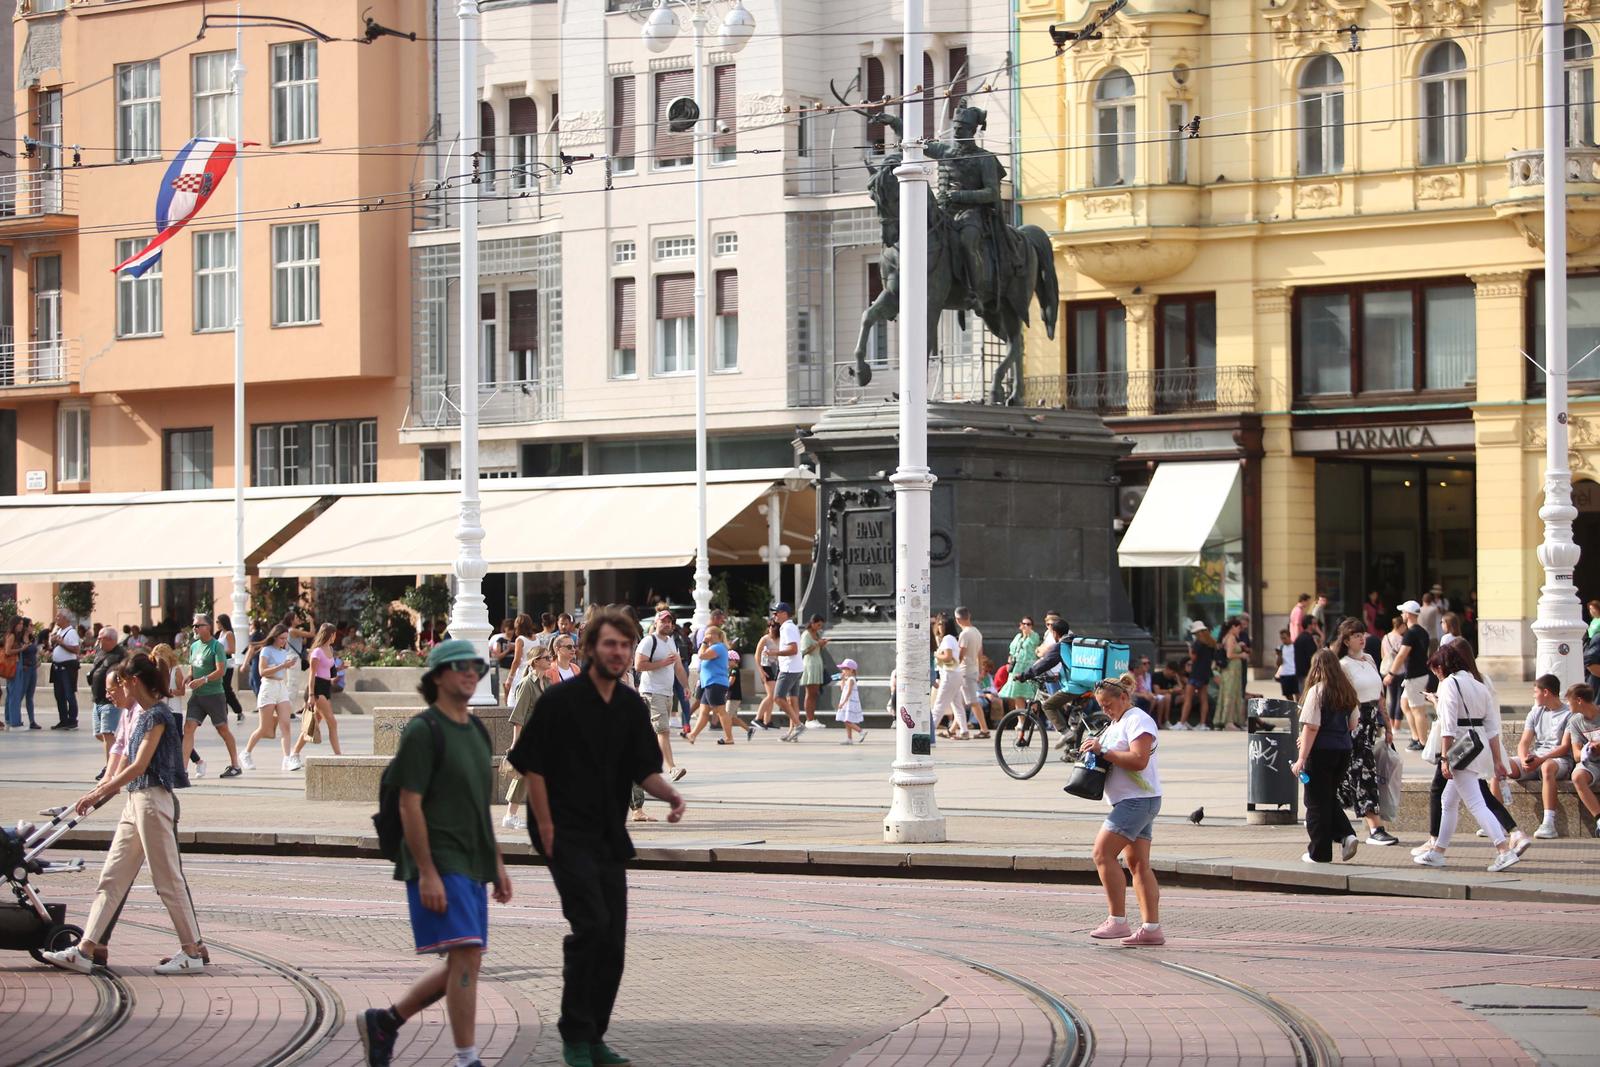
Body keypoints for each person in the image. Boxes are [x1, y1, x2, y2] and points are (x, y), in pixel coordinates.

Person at [509, 607, 685, 1067]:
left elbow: (643, 767)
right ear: (589, 648)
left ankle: (594, 1036)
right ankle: (574, 1036)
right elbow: (531, 763)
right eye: (610, 644)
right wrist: (544, 826)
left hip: (607, 833)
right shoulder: (560, 701)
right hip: (561, 829)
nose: (619, 652)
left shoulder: (628, 705)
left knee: (614, 941)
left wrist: (669, 795)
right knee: (591, 926)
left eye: (626, 645)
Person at [356, 641, 512, 1067]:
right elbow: (409, 803)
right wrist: (426, 872)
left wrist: (497, 863)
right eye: (459, 667)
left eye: (475, 667)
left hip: (473, 861)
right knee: (464, 955)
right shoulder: (424, 731)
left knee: (468, 960)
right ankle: (467, 1058)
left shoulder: (477, 731)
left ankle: (385, 1022)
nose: (469, 673)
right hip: (438, 860)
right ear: (438, 677)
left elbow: (480, 805)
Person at [41, 652, 207, 976]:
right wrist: (99, 791)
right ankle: (85, 949)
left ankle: (192, 952)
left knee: (167, 880)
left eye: (121, 683)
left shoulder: (156, 714)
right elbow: (123, 761)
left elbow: (138, 766)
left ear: (133, 682)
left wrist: (99, 793)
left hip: (152, 801)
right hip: (136, 802)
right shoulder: (142, 713)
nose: (116, 691)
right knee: (112, 876)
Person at [1413, 643, 1522, 873]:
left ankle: (1504, 850)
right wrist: (1497, 760)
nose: (1435, 674)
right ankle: (1438, 852)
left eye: (1436, 669)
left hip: (1460, 746)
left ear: (1443, 666)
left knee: (1475, 803)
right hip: (1478, 744)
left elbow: (1448, 726)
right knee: (1448, 800)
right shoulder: (1478, 684)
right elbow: (1492, 727)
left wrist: (1445, 758)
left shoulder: (1450, 684)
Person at [1080, 676, 1164, 947]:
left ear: (1124, 698)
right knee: (1138, 865)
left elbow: (1139, 760)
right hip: (1135, 799)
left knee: (1102, 853)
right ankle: (1151, 928)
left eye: (1108, 704)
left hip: (1136, 801)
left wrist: (1104, 751)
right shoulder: (1118, 722)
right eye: (1101, 706)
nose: (1105, 709)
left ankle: (1117, 921)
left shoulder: (1138, 719)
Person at [1332, 618, 1399, 846]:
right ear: (1346, 640)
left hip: (1371, 724)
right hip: (1354, 723)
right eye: (1356, 635)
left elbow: (1380, 697)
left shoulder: (1369, 659)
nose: (1362, 638)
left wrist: (1388, 727)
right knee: (1363, 773)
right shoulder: (1343, 665)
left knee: (1347, 775)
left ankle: (1327, 815)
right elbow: (1344, 700)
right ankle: (1375, 827)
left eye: (1363, 634)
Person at [1292, 649, 1361, 864]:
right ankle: (1346, 834)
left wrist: (1301, 758)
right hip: (1342, 750)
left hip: (1320, 752)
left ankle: (1319, 853)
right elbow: (1353, 724)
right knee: (1327, 797)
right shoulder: (1347, 691)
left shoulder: (1317, 691)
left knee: (1315, 803)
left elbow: (1311, 727)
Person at [1506, 674, 1574, 840]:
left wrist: (1541, 760)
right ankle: (1497, 821)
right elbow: (1523, 743)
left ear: (1546, 692)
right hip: (1535, 759)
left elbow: (1564, 747)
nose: (1533, 695)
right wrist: (1523, 760)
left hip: (1560, 761)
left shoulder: (1569, 714)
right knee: (1501, 765)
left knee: (1547, 767)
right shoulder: (1535, 712)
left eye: (1535, 691)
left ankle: (1548, 824)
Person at [182, 615, 242, 778]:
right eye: (193, 626)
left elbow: (221, 671)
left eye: (197, 626)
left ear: (207, 627)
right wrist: (189, 676)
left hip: (214, 695)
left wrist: (204, 680)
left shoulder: (216, 646)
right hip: (197, 696)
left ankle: (235, 765)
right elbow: (192, 667)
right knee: (188, 728)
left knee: (222, 729)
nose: (194, 629)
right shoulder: (194, 646)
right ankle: (183, 769)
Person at [502, 643, 553, 830]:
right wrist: (515, 744)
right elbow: (518, 716)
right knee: (522, 777)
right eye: (547, 658)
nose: (550, 660)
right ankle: (510, 815)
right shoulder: (526, 685)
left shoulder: (547, 683)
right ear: (536, 661)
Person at [635, 611, 690, 781]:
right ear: (656, 623)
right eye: (663, 621)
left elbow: (678, 667)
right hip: (652, 692)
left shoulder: (671, 642)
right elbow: (638, 665)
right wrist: (661, 663)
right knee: (663, 731)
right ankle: (672, 768)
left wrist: (686, 685)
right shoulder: (648, 641)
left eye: (669, 622)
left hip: (667, 693)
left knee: (653, 733)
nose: (666, 624)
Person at [244, 625, 298, 771]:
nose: (284, 641)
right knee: (264, 728)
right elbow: (262, 671)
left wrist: (288, 665)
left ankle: (287, 759)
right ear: (274, 637)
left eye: (286, 639)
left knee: (286, 725)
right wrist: (282, 666)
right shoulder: (266, 650)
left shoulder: (284, 651)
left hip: (281, 687)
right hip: (268, 687)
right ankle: (246, 753)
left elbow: (281, 668)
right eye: (281, 638)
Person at [289, 622, 344, 764]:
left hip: (326, 687)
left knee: (313, 724)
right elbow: (312, 675)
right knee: (332, 721)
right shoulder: (317, 652)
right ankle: (339, 756)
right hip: (316, 688)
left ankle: (294, 754)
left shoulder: (330, 650)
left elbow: (330, 673)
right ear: (329, 634)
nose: (335, 637)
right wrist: (311, 696)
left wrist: (341, 667)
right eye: (334, 634)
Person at [1383, 600, 1432, 751]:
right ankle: (1416, 736)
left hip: (1414, 677)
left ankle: (1423, 743)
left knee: (1418, 709)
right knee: (1405, 704)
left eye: (1403, 612)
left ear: (1409, 615)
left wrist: (1391, 673)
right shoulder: (1422, 631)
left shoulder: (1410, 633)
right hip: (1417, 675)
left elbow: (1402, 655)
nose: (1402, 615)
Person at [689, 624, 747, 745]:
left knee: (721, 711)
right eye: (705, 635)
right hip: (709, 683)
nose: (706, 637)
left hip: (715, 683)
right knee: (704, 712)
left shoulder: (719, 647)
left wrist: (704, 643)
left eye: (708, 634)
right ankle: (693, 735)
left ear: (716, 636)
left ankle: (729, 738)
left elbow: (701, 656)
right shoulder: (716, 647)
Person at [87, 628, 128, 777]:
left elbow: (125, 675)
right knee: (100, 734)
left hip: (110, 701)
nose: (98, 641)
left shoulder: (121, 655)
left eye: (101, 638)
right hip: (97, 700)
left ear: (111, 639)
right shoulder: (100, 652)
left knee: (107, 734)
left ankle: (110, 770)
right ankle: (122, 754)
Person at [1564, 685, 1600, 837]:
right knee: (1577, 776)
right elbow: (1577, 754)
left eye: (1569, 701)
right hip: (1591, 763)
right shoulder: (1575, 721)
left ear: (1578, 700)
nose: (1567, 705)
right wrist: (1589, 749)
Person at [931, 614, 970, 740]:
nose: (940, 626)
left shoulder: (947, 639)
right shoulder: (951, 638)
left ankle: (928, 732)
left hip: (949, 675)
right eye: (939, 623)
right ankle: (964, 731)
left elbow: (947, 657)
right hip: (954, 674)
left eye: (942, 624)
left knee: (939, 705)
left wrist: (936, 654)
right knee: (957, 704)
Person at [954, 607, 990, 738]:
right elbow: (980, 654)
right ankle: (954, 729)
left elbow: (960, 655)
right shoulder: (977, 632)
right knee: (960, 701)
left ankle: (984, 730)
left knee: (972, 701)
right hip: (973, 669)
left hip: (965, 671)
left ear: (958, 619)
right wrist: (980, 670)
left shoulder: (964, 634)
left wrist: (952, 667)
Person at [772, 603, 806, 742]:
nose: (774, 615)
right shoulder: (790, 627)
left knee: (778, 698)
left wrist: (775, 653)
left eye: (776, 612)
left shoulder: (787, 628)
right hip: (796, 667)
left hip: (789, 668)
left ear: (784, 613)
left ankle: (798, 725)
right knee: (793, 700)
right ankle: (793, 731)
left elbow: (793, 649)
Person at [1177, 620, 1216, 731]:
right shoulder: (1211, 643)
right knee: (1204, 699)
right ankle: (1202, 724)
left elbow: (1193, 658)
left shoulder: (1197, 643)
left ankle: (1182, 722)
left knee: (1188, 698)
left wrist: (1190, 648)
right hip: (1205, 673)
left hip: (1196, 673)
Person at [998, 616, 1042, 711]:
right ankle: (1021, 721)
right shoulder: (1018, 637)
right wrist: (1010, 658)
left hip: (1028, 667)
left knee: (1031, 695)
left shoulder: (1034, 636)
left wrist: (1028, 632)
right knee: (1017, 695)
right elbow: (1012, 651)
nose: (1026, 626)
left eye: (1028, 624)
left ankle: (1033, 720)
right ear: (1020, 625)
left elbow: (1035, 643)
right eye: (1024, 623)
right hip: (1016, 668)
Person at [48, 609, 82, 730]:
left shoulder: (71, 632)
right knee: (59, 695)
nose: (56, 618)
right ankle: (63, 720)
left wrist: (61, 643)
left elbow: (76, 649)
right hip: (57, 667)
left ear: (65, 619)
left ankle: (72, 720)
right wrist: (53, 642)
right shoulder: (59, 631)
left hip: (67, 668)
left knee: (69, 694)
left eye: (58, 617)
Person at [4, 617, 38, 729]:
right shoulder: (12, 635)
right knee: (15, 694)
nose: (21, 626)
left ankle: (10, 719)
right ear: (14, 624)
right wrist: (21, 649)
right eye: (19, 624)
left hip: (17, 665)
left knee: (12, 693)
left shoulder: (15, 636)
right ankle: (15, 721)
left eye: (22, 624)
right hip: (15, 666)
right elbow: (7, 651)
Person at [1214, 617, 1247, 731]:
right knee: (1230, 695)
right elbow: (1229, 655)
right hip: (1231, 670)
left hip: (1232, 671)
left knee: (1231, 694)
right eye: (1238, 628)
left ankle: (1231, 720)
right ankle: (1229, 721)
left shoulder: (1227, 637)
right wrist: (1241, 655)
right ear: (1233, 627)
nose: (1239, 630)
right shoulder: (1231, 637)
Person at [799, 615, 829, 729]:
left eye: (821, 625)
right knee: (810, 693)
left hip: (817, 663)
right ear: (812, 623)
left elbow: (817, 649)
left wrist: (821, 645)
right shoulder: (806, 634)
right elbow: (804, 651)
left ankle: (812, 718)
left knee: (815, 693)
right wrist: (817, 644)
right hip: (810, 664)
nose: (819, 627)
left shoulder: (817, 634)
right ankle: (809, 719)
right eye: (818, 625)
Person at [752, 619, 780, 731]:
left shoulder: (780, 639)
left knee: (772, 696)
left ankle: (767, 720)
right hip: (766, 667)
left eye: (773, 626)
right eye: (770, 626)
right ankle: (757, 718)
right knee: (771, 695)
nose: (771, 628)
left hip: (776, 667)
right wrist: (760, 670)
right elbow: (757, 655)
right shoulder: (765, 639)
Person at [1380, 615, 1406, 728]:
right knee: (1400, 698)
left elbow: (1382, 654)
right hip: (1400, 670)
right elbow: (1403, 656)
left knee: (1391, 698)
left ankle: (1390, 724)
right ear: (1401, 626)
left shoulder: (1385, 637)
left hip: (1387, 670)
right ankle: (1397, 725)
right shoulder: (1401, 639)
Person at [216, 614, 243, 724]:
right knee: (220, 689)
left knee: (226, 688)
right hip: (220, 663)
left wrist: (219, 651)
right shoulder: (220, 634)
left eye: (218, 622)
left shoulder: (229, 634)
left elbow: (232, 650)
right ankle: (224, 712)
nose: (217, 624)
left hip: (227, 664)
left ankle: (238, 710)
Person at [835, 658, 866, 743]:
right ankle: (849, 738)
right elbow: (842, 689)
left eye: (845, 669)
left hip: (849, 702)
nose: (843, 671)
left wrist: (843, 703)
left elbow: (849, 692)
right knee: (846, 720)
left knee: (847, 721)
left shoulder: (852, 680)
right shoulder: (848, 679)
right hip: (847, 702)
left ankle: (861, 731)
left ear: (851, 670)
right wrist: (842, 679)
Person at [1291, 616, 1321, 700]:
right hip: (1307, 673)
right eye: (1314, 624)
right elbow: (1313, 656)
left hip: (1300, 672)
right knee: (1308, 697)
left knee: (1303, 696)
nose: (1316, 626)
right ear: (1309, 625)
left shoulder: (1300, 637)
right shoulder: (1308, 639)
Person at [489, 618, 515, 704]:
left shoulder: (517, 639)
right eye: (509, 629)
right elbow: (497, 656)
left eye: (512, 629)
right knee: (505, 690)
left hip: (514, 669)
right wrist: (508, 650)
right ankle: (506, 707)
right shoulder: (500, 640)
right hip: (504, 668)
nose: (511, 631)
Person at [1274, 627, 1298, 700]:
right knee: (1287, 694)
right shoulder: (1280, 648)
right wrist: (1279, 655)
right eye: (1281, 638)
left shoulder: (1295, 647)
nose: (1283, 640)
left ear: (1289, 636)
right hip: (1284, 674)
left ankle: (1298, 709)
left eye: (1285, 638)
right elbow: (1278, 664)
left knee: (1297, 693)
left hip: (1294, 673)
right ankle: (1292, 708)